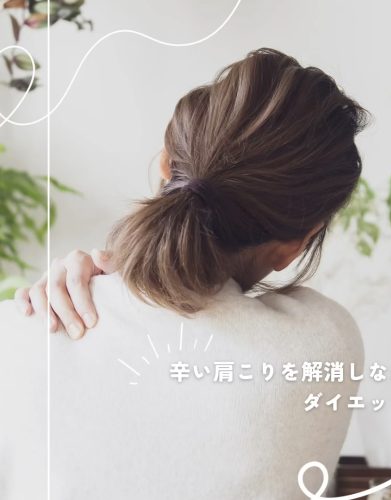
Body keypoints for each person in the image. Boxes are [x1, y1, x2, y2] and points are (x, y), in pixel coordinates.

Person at [1, 47, 367, 499]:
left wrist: (106, 273)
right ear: (298, 242)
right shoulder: (326, 343)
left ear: (164, 162)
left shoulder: (20, 333)